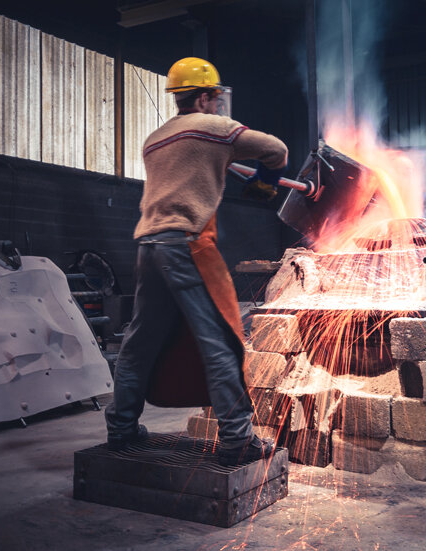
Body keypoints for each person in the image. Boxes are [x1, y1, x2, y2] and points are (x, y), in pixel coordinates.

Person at [105, 57, 288, 464]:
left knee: (138, 344)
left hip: (148, 246)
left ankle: (121, 429)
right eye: (215, 97)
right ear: (205, 97)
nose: (217, 104)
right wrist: (265, 183)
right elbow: (277, 150)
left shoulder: (155, 138)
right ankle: (238, 440)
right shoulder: (215, 128)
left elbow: (193, 168)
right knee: (219, 341)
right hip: (186, 243)